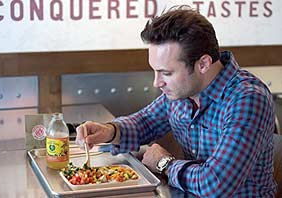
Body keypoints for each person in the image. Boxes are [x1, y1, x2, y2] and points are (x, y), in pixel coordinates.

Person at [76, 5, 277, 197]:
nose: (157, 82)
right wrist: (110, 131)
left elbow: (215, 184)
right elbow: (145, 121)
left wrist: (165, 163)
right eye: (155, 71)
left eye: (166, 73)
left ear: (203, 64)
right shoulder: (184, 90)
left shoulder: (248, 99)